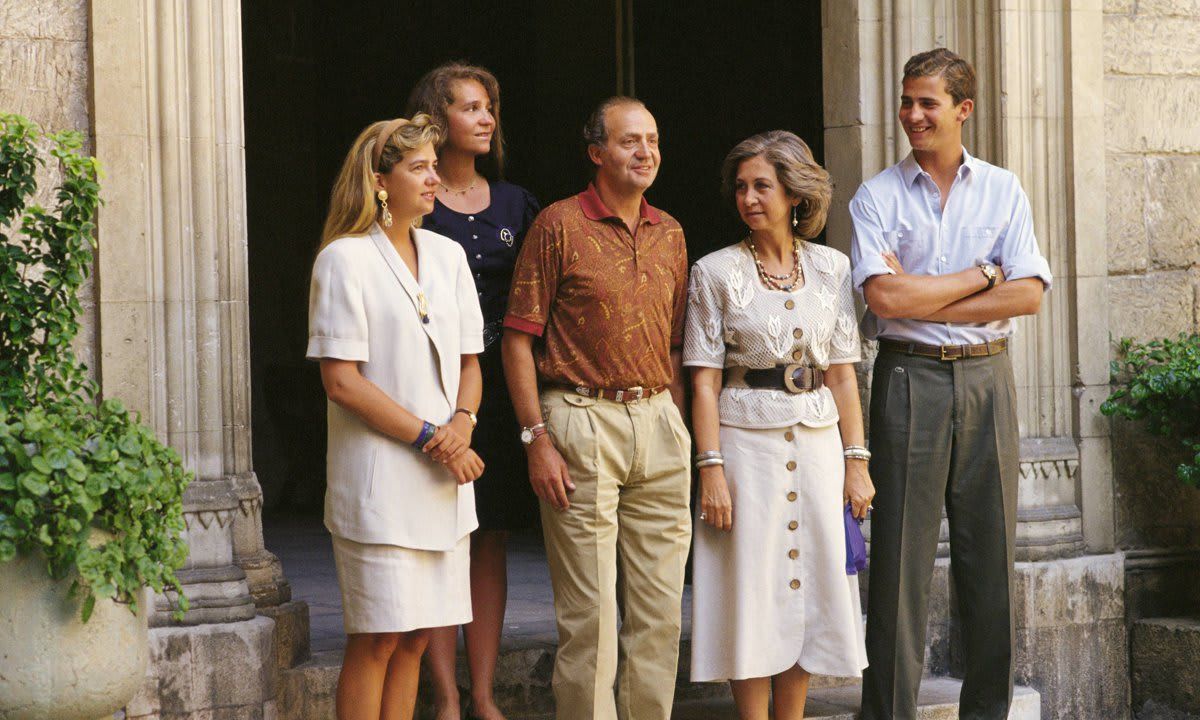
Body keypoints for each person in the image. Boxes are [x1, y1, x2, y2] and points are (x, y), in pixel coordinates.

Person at [849, 48, 1051, 720]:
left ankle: (987, 713)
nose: (911, 115)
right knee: (900, 565)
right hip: (908, 380)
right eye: (906, 101)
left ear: (963, 109)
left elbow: (1028, 297)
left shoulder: (1003, 188)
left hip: (990, 377)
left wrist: (921, 298)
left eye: (926, 103)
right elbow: (883, 298)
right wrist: (980, 277)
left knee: (989, 559)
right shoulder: (876, 195)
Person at [500, 96, 691, 720]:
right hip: (579, 419)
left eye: (653, 140)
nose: (646, 152)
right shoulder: (558, 224)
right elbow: (518, 339)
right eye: (630, 140)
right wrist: (537, 438)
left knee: (660, 612)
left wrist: (679, 428)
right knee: (591, 617)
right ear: (596, 153)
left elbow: (673, 342)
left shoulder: (670, 233)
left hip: (659, 418)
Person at [684, 130, 872, 720]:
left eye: (762, 185)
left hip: (818, 445)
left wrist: (857, 461)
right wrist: (710, 469)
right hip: (745, 448)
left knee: (809, 590)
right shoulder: (714, 272)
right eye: (740, 187)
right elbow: (704, 381)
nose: (749, 198)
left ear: (794, 193)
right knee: (753, 590)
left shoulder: (832, 268)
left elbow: (843, 376)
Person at [306, 114, 486, 720]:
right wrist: (436, 438)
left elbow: (470, 362)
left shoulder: (449, 254)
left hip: (444, 482)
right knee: (379, 637)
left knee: (416, 637)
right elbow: (342, 382)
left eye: (435, 165)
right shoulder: (344, 260)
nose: (436, 178)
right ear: (380, 181)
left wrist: (462, 423)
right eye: (419, 168)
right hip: (381, 483)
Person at [406, 62, 541, 720]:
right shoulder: (414, 199)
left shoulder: (517, 204)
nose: (486, 118)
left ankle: (484, 694)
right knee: (442, 538)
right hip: (433, 386)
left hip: (499, 382)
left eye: (490, 106)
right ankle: (445, 694)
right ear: (438, 120)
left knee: (490, 535)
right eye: (469, 107)